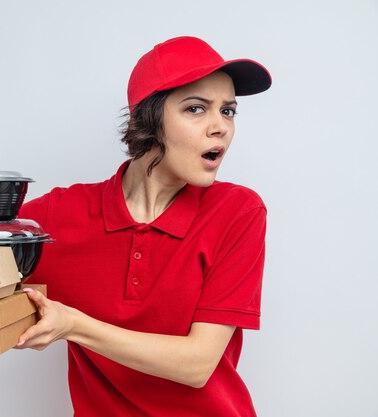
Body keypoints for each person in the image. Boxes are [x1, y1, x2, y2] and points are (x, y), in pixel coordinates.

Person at [16, 36, 272, 417]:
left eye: (229, 111)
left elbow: (197, 365)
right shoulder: (56, 217)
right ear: (146, 119)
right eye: (197, 108)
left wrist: (72, 324)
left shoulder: (237, 212)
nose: (220, 127)